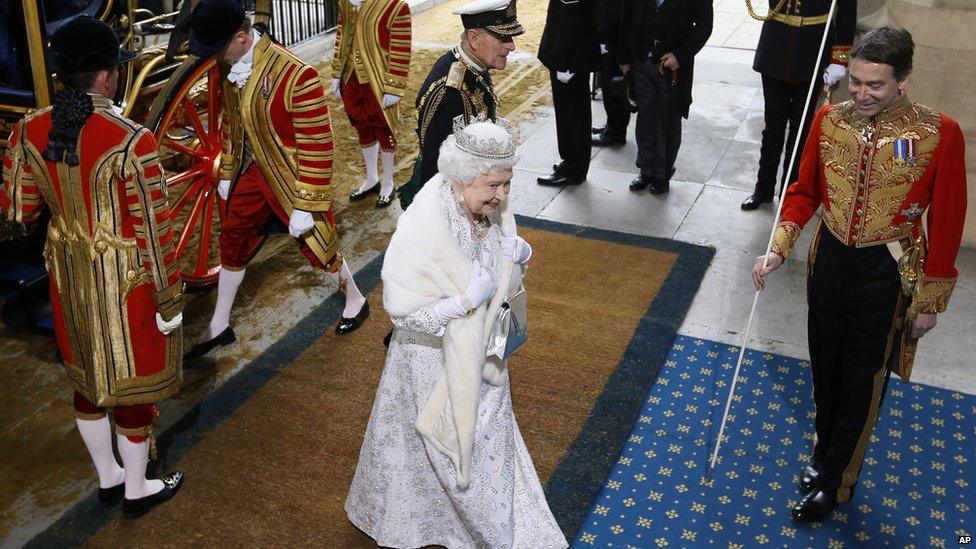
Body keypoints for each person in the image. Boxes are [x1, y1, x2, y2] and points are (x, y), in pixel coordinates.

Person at [753, 27, 968, 523]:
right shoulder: (829, 120)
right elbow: (804, 191)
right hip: (828, 259)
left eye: (875, 85)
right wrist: (778, 250)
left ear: (904, 80)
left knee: (861, 377)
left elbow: (949, 216)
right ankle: (824, 454)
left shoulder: (939, 133)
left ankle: (837, 482)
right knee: (825, 365)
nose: (862, 94)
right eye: (856, 82)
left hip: (886, 268)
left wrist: (930, 301)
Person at [346, 118, 566, 548]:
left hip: (485, 352)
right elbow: (403, 314)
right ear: (462, 179)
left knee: (487, 443)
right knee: (442, 451)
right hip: (429, 361)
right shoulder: (421, 225)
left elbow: (502, 274)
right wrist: (461, 303)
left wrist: (518, 257)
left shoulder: (492, 206)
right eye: (493, 186)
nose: (502, 196)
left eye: (507, 184)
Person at [1, 15, 185, 517]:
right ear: (105, 76)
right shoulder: (131, 139)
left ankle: (108, 476)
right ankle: (136, 487)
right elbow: (155, 230)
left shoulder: (27, 131)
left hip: (67, 278)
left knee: (85, 381)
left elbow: (17, 212)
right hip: (128, 286)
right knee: (131, 387)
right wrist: (170, 298)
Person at [183, 0, 369, 360]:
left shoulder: (296, 75)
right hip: (249, 173)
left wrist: (306, 204)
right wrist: (226, 171)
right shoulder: (229, 67)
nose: (216, 58)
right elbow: (232, 126)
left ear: (241, 37)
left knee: (318, 241)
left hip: (290, 177)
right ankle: (219, 323)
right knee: (233, 237)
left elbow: (318, 145)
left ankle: (355, 299)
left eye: (219, 49)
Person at [397, 0, 522, 210]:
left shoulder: (473, 66)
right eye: (503, 37)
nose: (511, 46)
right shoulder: (449, 92)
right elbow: (437, 172)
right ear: (474, 38)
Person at [741, 0, 857, 210]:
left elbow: (847, 12)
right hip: (776, 47)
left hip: (812, 49)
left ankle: (790, 192)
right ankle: (763, 188)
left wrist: (839, 59)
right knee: (772, 126)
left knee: (800, 129)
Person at [618, 0, 712, 194]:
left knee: (668, 121)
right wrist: (624, 57)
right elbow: (627, 15)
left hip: (671, 69)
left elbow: (704, 26)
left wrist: (680, 55)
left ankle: (662, 172)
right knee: (645, 117)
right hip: (641, 62)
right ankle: (646, 169)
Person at [331, 0, 412, 208]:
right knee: (363, 128)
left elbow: (401, 49)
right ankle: (372, 179)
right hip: (351, 79)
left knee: (385, 129)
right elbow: (341, 37)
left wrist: (394, 86)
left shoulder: (396, 6)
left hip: (378, 81)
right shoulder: (346, 3)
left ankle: (388, 182)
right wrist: (336, 73)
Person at [535, 0, 600, 187]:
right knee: (569, 112)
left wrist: (565, 62)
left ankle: (574, 168)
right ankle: (571, 162)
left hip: (569, 56)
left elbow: (572, 18)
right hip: (566, 53)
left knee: (572, 114)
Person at [591, 0, 631, 148]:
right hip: (609, 36)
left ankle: (615, 132)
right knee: (608, 86)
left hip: (613, 41)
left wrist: (605, 38)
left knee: (613, 87)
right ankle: (612, 125)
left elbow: (616, 12)